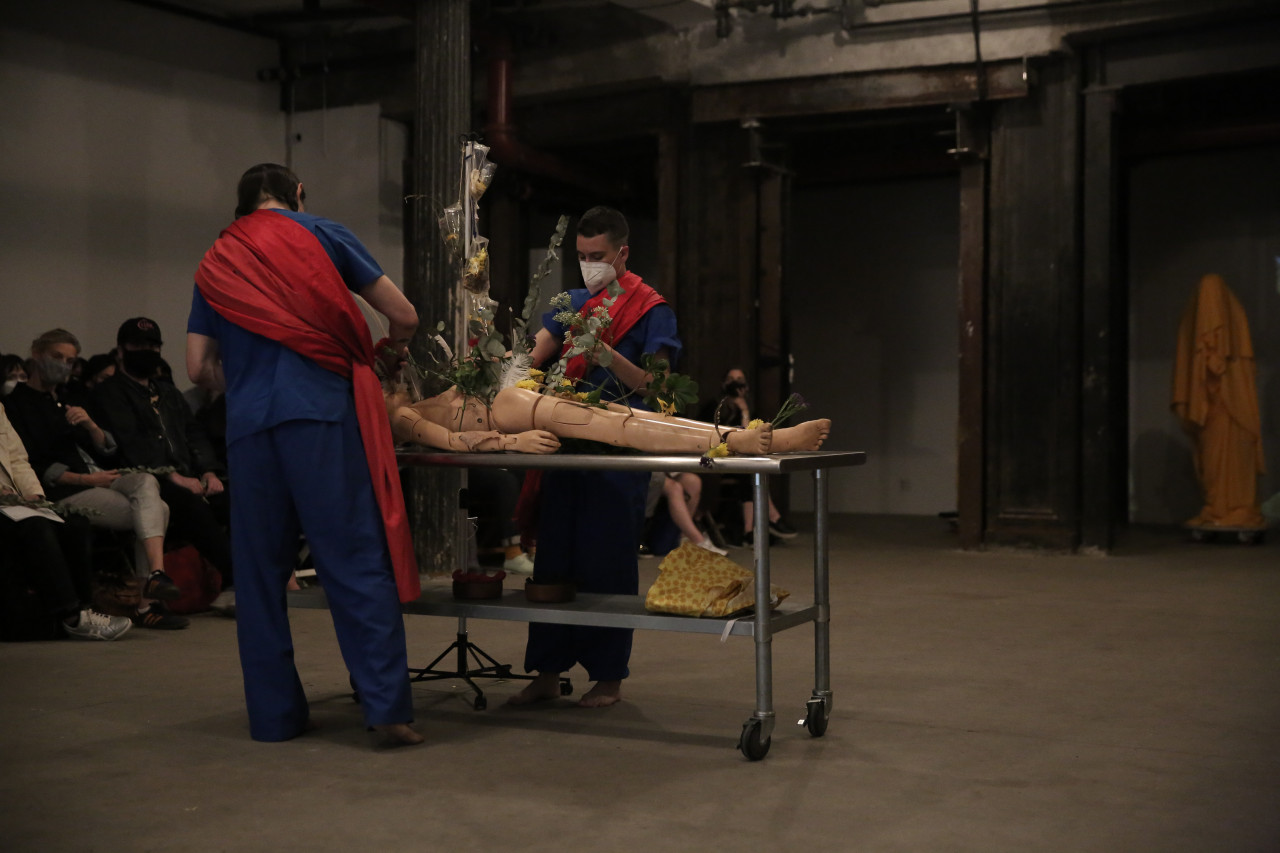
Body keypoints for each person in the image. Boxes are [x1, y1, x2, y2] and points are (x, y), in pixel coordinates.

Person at [187, 162, 422, 745]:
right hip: (320, 416)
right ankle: (386, 711)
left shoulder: (216, 259)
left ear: (243, 203)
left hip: (249, 429)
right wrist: (387, 355)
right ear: (296, 193)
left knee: (260, 575)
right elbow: (404, 315)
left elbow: (197, 368)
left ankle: (275, 718)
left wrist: (248, 379)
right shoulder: (322, 232)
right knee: (352, 559)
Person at [5, 329, 184, 629]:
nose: (63, 365)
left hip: (97, 475)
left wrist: (91, 426)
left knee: (145, 481)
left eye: (70, 360)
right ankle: (147, 601)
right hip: (64, 488)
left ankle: (155, 575)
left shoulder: (69, 397)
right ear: (37, 354)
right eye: (57, 357)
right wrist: (86, 480)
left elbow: (107, 449)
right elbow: (31, 463)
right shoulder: (16, 404)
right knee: (159, 510)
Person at [91, 317, 236, 613]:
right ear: (121, 351)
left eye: (153, 345)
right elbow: (130, 443)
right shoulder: (109, 394)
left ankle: (244, 580)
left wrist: (209, 471)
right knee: (190, 506)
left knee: (238, 500)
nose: (147, 351)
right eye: (139, 345)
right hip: (143, 479)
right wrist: (173, 476)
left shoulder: (167, 392)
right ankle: (237, 579)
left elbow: (193, 433)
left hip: (188, 474)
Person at [1, 402, 132, 641]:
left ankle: (84, 608)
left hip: (13, 499)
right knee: (35, 527)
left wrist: (33, 493)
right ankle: (71, 616)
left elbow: (18, 459)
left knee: (74, 523)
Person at [699, 367, 800, 546]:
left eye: (739, 380)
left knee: (751, 471)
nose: (735, 384)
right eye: (731, 379)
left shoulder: (749, 411)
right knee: (750, 471)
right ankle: (771, 518)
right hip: (715, 459)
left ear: (745, 387)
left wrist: (744, 411)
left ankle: (749, 530)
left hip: (740, 463)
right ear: (723, 384)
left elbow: (749, 437)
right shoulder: (713, 407)